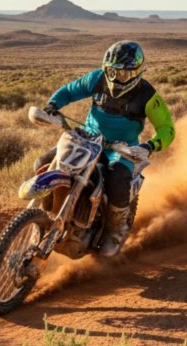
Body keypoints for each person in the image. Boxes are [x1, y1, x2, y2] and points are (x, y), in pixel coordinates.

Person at [40, 41, 175, 256]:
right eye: (111, 71)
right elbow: (68, 91)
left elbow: (167, 129)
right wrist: (52, 105)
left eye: (122, 73)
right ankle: (44, 214)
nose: (115, 77)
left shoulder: (148, 95)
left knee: (118, 180)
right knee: (44, 161)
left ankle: (114, 231)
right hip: (87, 138)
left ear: (136, 72)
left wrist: (149, 146)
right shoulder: (97, 78)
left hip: (121, 148)